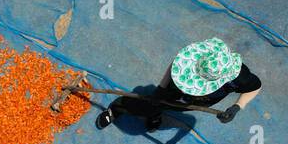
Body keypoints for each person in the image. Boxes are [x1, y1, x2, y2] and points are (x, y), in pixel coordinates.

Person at [96, 37, 261, 131]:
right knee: (149, 103)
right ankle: (117, 107)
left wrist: (237, 107)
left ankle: (155, 115)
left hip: (193, 102)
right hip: (172, 90)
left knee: (169, 107)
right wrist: (161, 88)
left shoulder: (240, 77)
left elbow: (254, 88)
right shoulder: (194, 59)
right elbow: (175, 65)